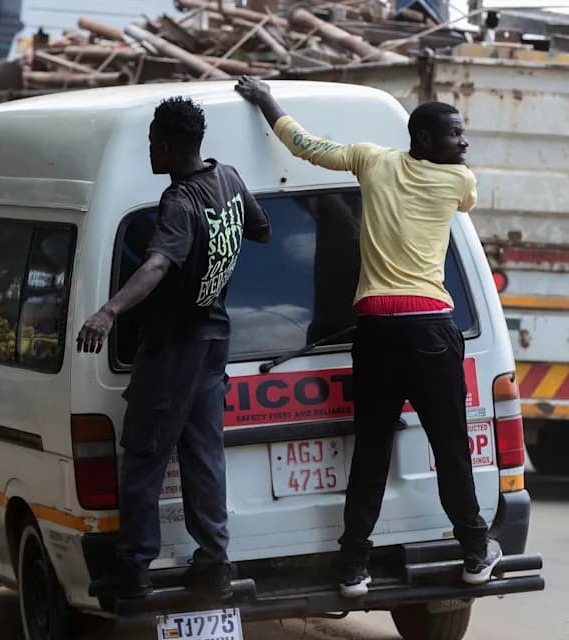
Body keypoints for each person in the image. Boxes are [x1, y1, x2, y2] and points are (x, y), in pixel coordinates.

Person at [235, 76, 502, 598]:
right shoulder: (458, 183)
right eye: (455, 134)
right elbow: (463, 196)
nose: (463, 143)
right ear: (425, 141)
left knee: (372, 449)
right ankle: (475, 552)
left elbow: (304, 145)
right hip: (429, 330)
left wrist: (266, 99)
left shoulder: (371, 162)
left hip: (375, 333)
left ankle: (353, 566)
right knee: (450, 447)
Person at [77, 96, 271, 600]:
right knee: (204, 456)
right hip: (213, 342)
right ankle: (213, 566)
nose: (149, 151)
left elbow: (157, 265)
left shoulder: (180, 202)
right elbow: (262, 230)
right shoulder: (227, 177)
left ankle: (134, 569)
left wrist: (109, 311)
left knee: (143, 456)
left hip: (175, 348)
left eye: (151, 143)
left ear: (167, 144)